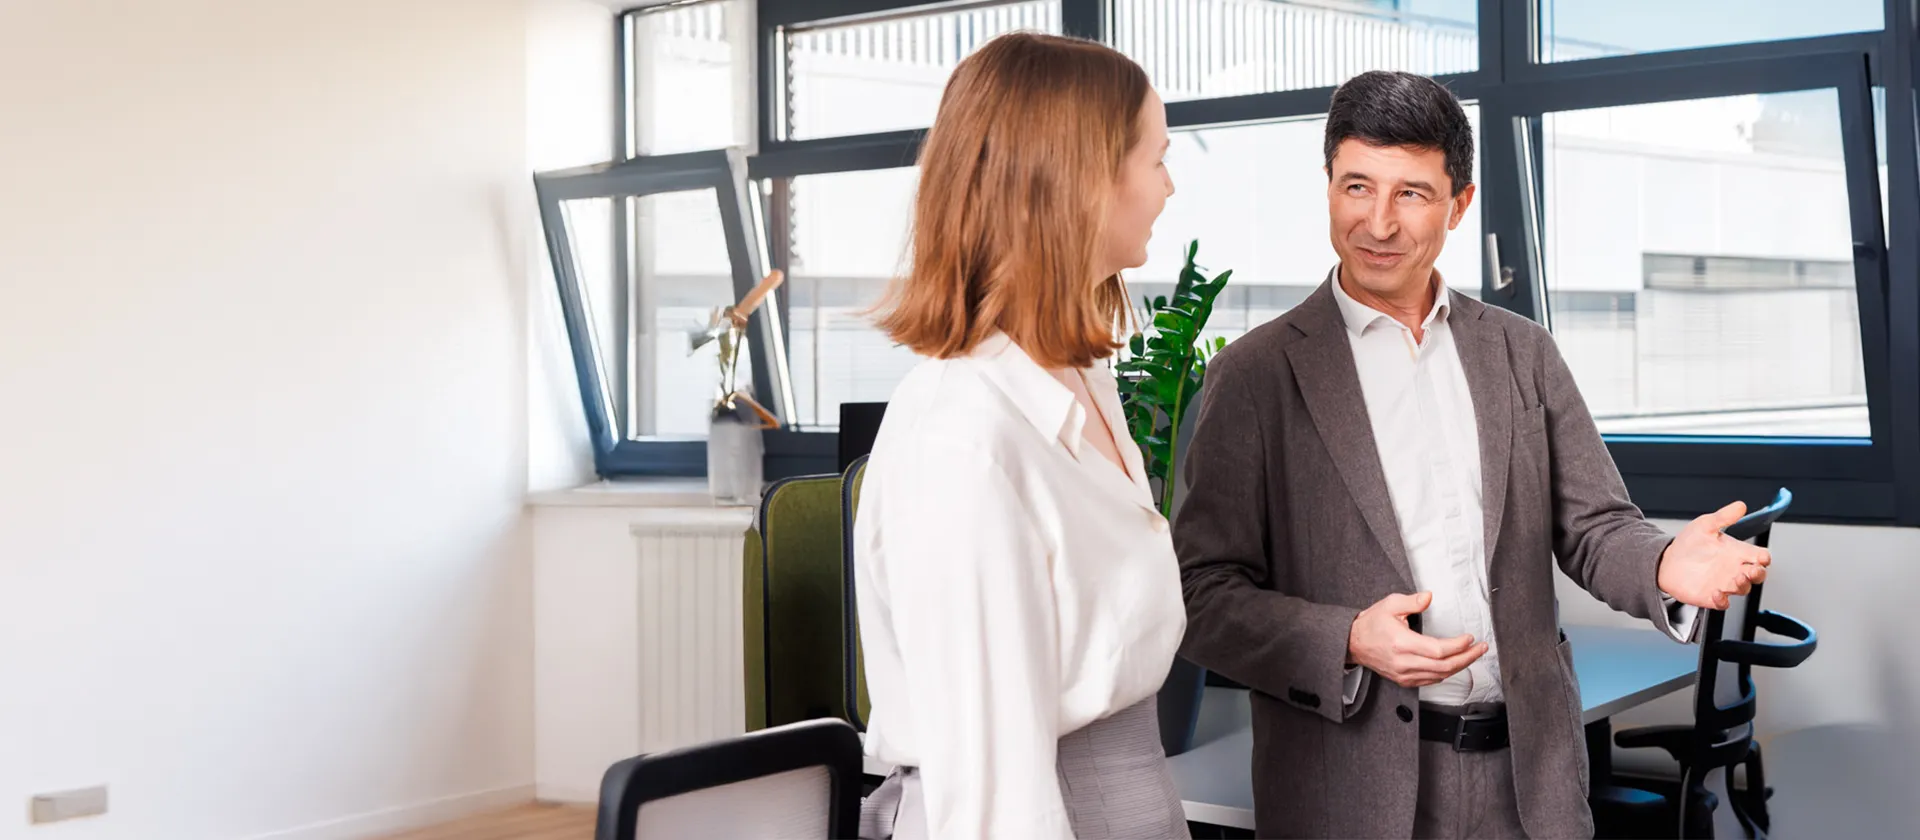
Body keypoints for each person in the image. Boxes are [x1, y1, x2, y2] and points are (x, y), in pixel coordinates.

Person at [1174, 70, 1771, 839]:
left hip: (1528, 784)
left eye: (1411, 194)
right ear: (1328, 186)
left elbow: (1595, 527)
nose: (1378, 223)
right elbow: (1202, 596)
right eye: (1357, 187)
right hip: (1348, 790)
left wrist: (1662, 566)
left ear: (1459, 205)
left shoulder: (1523, 352)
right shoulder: (1254, 376)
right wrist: (1347, 638)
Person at [851, 31, 1187, 840]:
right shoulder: (962, 437)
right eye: (1156, 159)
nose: (1169, 187)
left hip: (1126, 798)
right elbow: (995, 795)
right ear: (1081, 181)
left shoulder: (1080, 381)